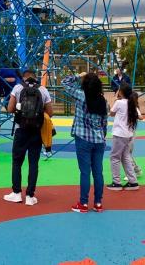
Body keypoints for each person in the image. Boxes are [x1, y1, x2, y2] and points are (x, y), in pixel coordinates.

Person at [3, 70, 54, 205]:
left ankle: (16, 193)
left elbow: (9, 108)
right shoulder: (42, 90)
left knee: (17, 162)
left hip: (21, 130)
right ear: (35, 77)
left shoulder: (18, 88)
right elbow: (50, 112)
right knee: (33, 163)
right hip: (36, 131)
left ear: (24, 77)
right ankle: (30, 196)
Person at [62, 71, 109, 213]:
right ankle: (98, 203)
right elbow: (104, 122)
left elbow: (65, 83)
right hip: (99, 140)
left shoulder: (81, 96)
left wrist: (78, 75)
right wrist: (101, 136)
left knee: (85, 172)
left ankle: (83, 203)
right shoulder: (103, 101)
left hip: (83, 138)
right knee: (98, 172)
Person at [107, 85, 142, 191]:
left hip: (119, 134)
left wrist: (115, 100)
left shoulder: (119, 102)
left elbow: (111, 113)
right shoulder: (132, 103)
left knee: (115, 157)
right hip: (129, 134)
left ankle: (116, 182)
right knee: (126, 157)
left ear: (121, 92)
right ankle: (133, 181)